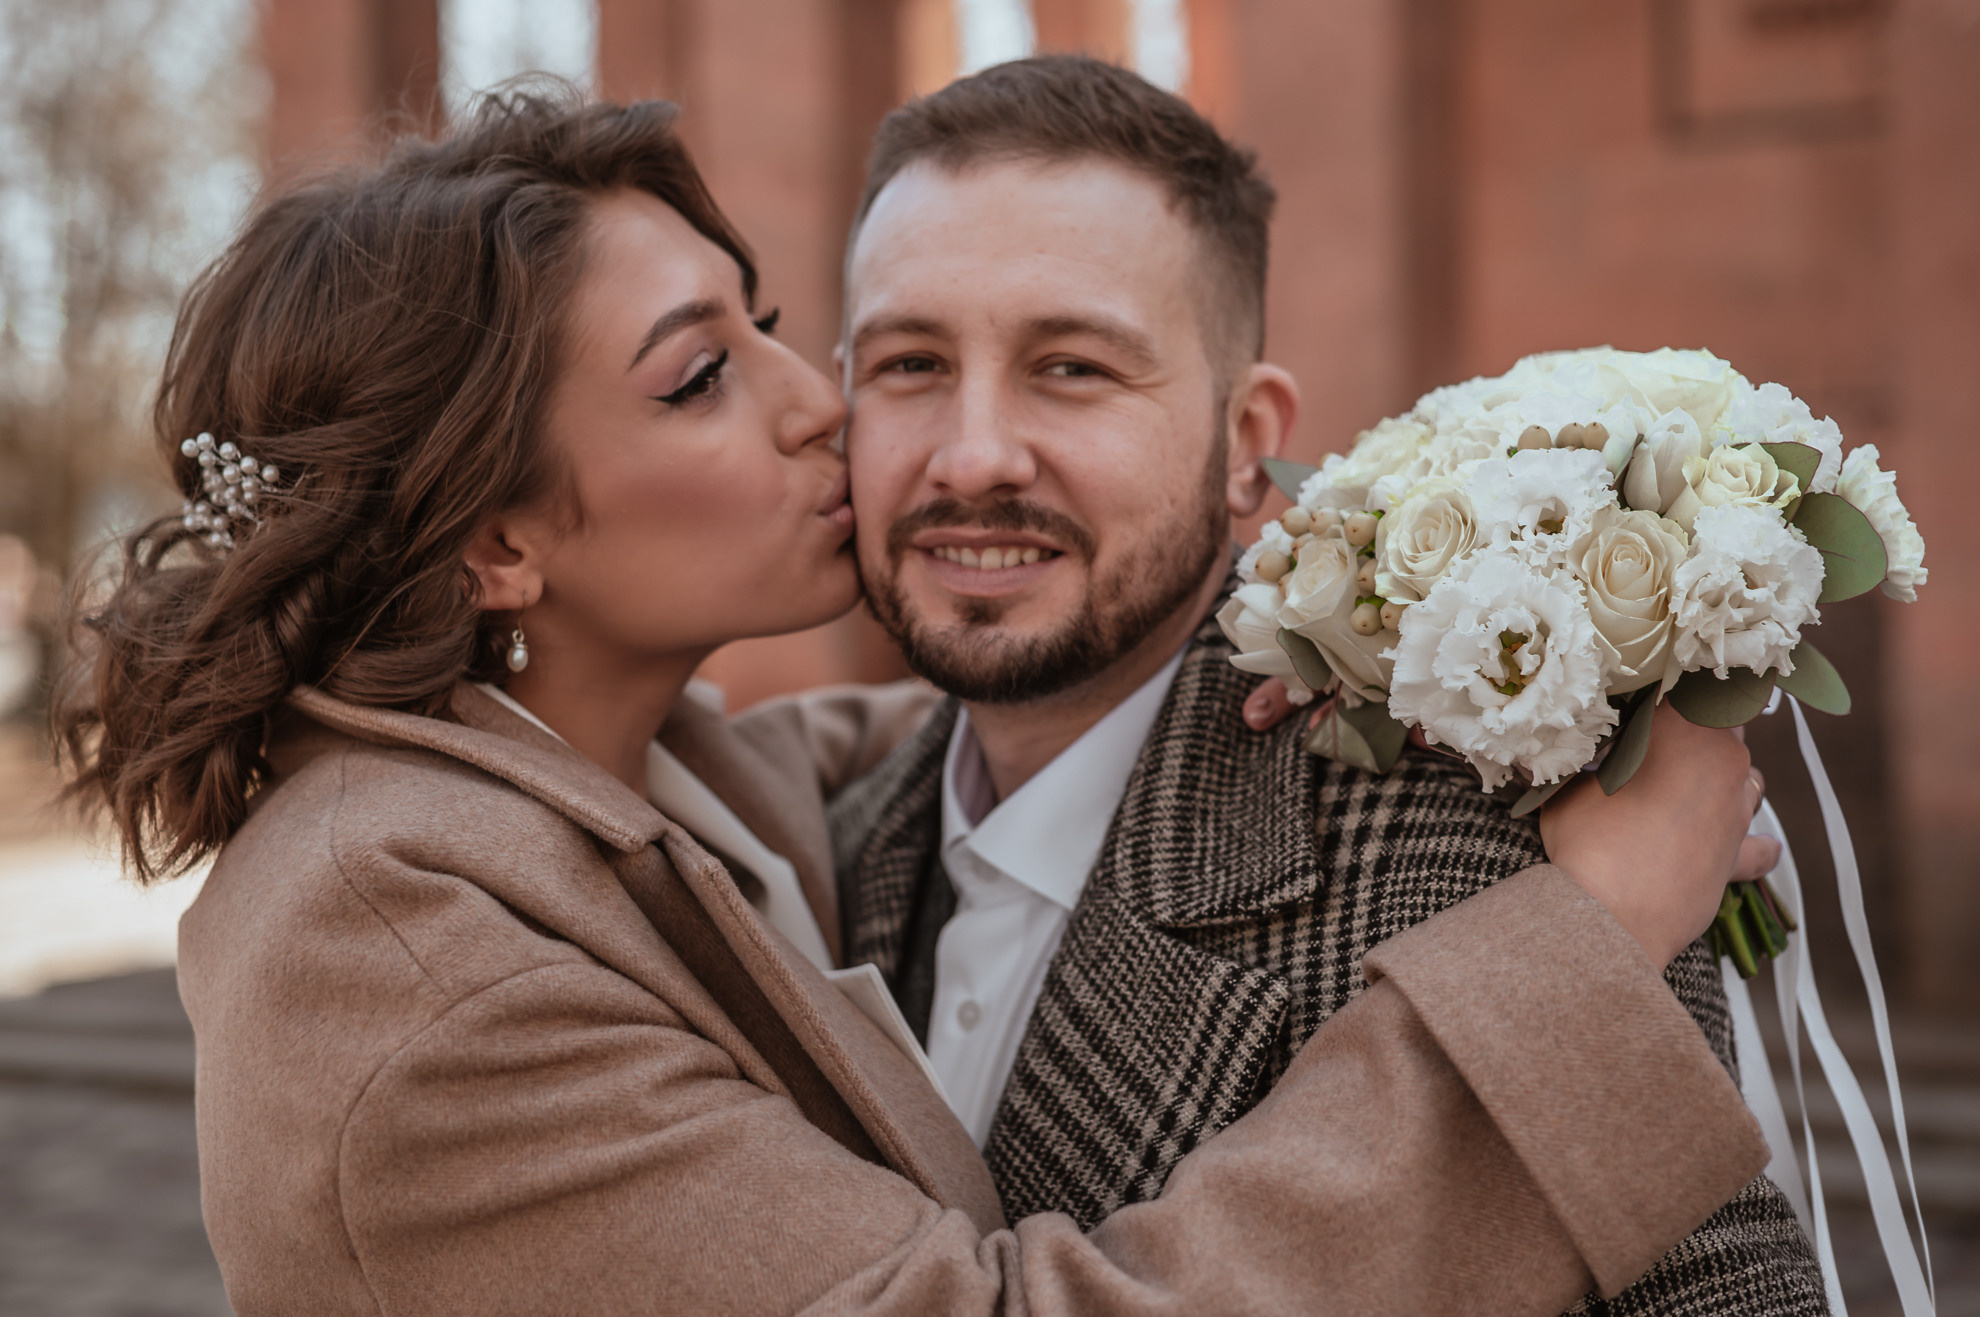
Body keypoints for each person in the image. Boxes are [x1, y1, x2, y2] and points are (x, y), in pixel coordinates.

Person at [57, 89, 1767, 1315]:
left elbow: (939, 750)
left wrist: (1394, 605)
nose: (847, 421)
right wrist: (1588, 941)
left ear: (1248, 437)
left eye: (1076, 367)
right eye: (706, 376)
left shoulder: (636, 779)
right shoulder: (408, 937)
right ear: (498, 539)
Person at [830, 56, 1826, 1315]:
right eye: (909, 364)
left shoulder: (1508, 866)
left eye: (1072, 366)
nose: (971, 453)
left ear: (1249, 446)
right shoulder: (834, 852)